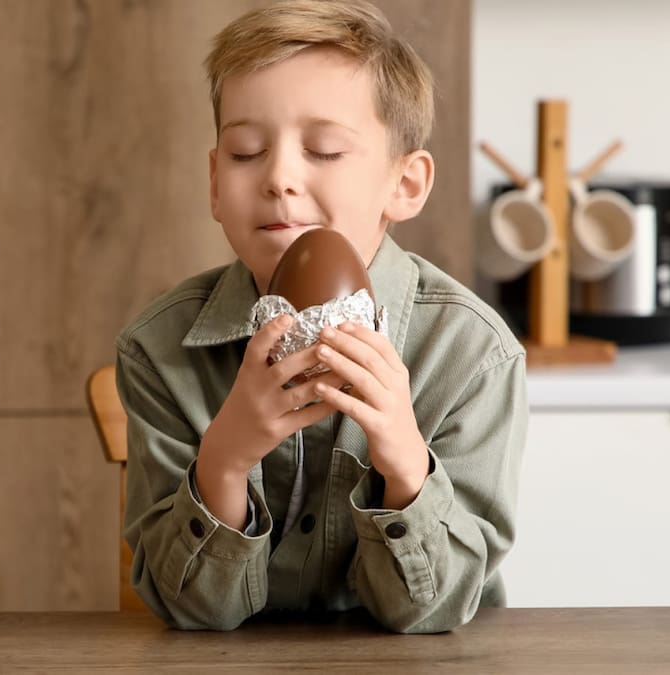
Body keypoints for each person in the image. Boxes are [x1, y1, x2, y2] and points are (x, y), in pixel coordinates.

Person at [115, 0, 526, 634]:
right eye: (247, 151)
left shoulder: (471, 352)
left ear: (406, 185)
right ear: (215, 184)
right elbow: (189, 613)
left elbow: (437, 610)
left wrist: (403, 462)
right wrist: (224, 460)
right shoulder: (158, 349)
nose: (279, 176)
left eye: (326, 150)